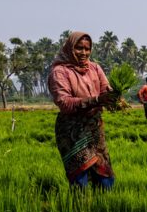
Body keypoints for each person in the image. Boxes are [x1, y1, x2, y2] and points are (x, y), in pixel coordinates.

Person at [47, 31, 118, 189]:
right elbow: (64, 103)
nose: (84, 52)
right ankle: (78, 211)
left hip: (94, 129)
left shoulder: (95, 68)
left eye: (87, 49)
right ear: (69, 48)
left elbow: (106, 90)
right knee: (80, 178)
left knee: (105, 176)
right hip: (72, 131)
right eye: (79, 48)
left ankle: (102, 209)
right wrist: (97, 100)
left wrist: (115, 97)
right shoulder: (59, 72)